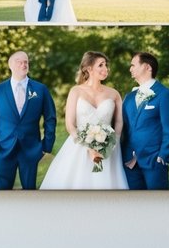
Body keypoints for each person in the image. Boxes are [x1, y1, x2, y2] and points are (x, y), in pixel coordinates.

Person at [40, 51, 128, 190]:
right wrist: (88, 146)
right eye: (101, 65)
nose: (106, 69)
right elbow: (70, 124)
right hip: (79, 146)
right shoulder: (76, 91)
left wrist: (113, 142)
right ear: (88, 68)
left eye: (106, 65)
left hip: (108, 147)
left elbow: (118, 121)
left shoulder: (113, 93)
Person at [0, 51, 57, 190]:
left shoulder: (40, 89)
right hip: (3, 149)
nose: (24, 64)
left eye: (26, 62)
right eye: (20, 61)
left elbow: (50, 118)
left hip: (31, 149)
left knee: (29, 190)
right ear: (10, 65)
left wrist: (46, 146)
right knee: (1, 190)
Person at [120, 52, 169, 189]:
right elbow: (124, 127)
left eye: (133, 65)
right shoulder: (129, 98)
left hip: (154, 160)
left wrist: (164, 156)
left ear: (147, 67)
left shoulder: (166, 95)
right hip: (129, 161)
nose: (130, 69)